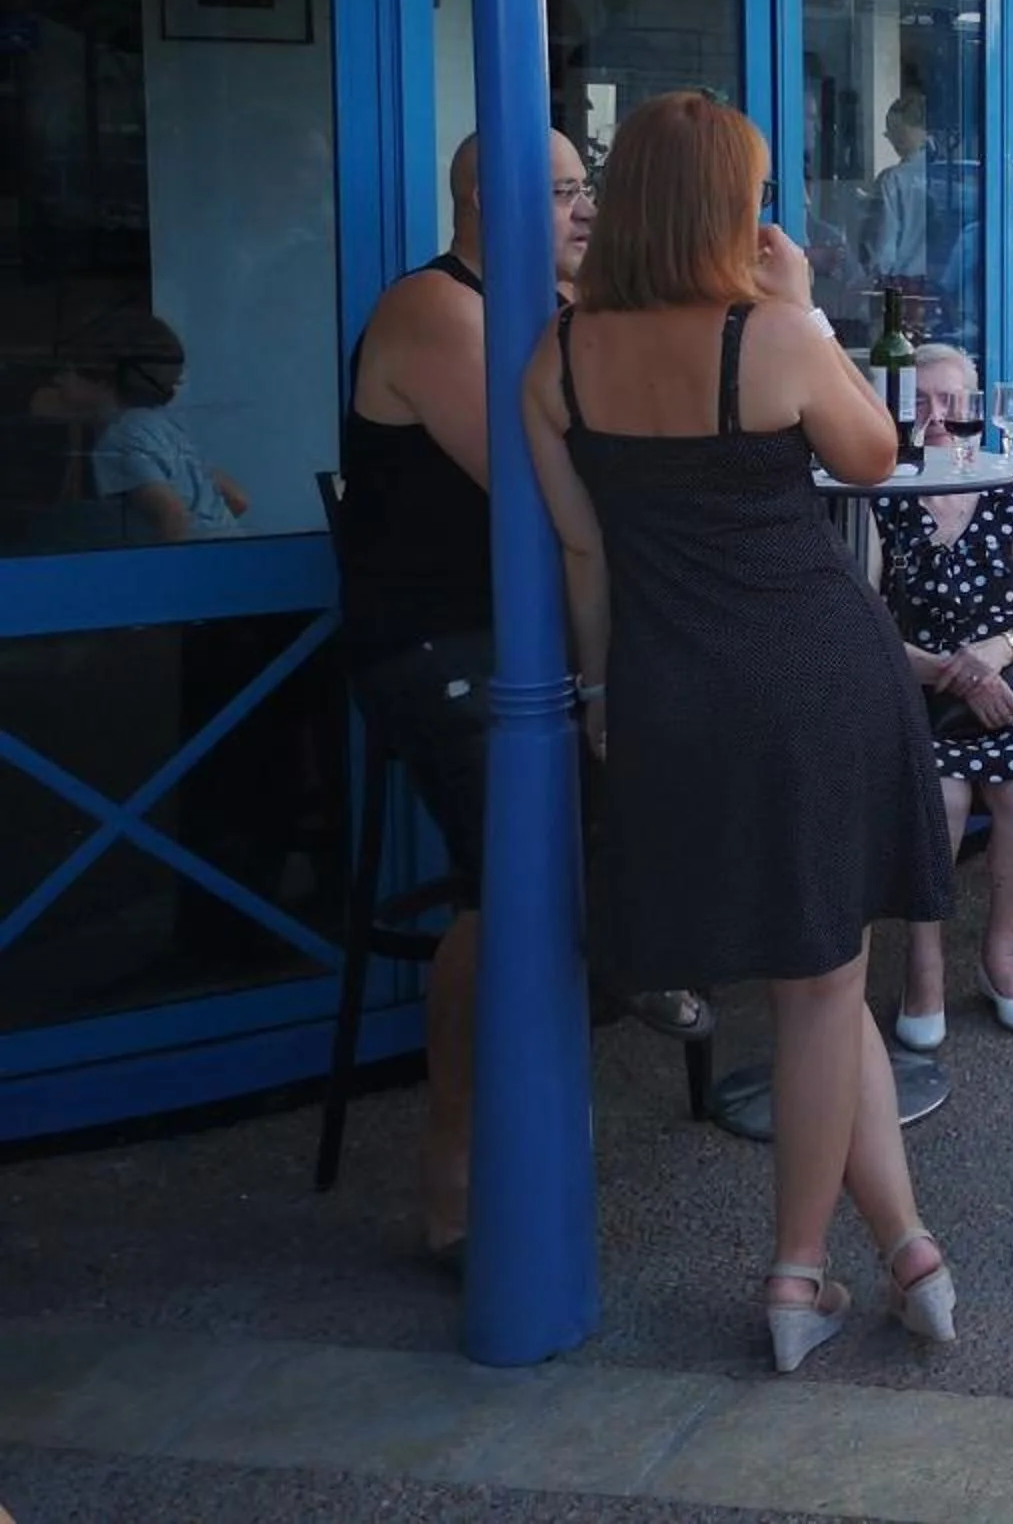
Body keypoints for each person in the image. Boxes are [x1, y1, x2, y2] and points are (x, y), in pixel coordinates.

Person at [521, 91, 957, 1374]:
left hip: (671, 684)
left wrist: (603, 698)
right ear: (727, 205)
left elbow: (584, 550)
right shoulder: (767, 336)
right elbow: (876, 456)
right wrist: (810, 303)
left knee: (819, 980)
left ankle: (911, 1247)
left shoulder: (554, 359)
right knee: (824, 984)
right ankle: (794, 1277)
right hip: (812, 672)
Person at [336, 129, 596, 1266]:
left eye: (590, 188)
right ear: (491, 202)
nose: (588, 209)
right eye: (566, 191)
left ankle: (655, 960)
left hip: (530, 638)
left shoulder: (548, 311)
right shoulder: (437, 309)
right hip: (439, 643)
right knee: (517, 879)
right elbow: (548, 477)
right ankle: (452, 1173)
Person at [879, 343, 1013, 1048]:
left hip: (1008, 683)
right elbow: (863, 625)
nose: (938, 419)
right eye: (922, 403)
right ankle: (923, 965)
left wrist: (997, 654)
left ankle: (1000, 954)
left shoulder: (1006, 488)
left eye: (953, 405)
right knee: (944, 795)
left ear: (976, 412)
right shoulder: (882, 497)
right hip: (913, 690)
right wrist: (949, 672)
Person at [64, 311, 247, 544]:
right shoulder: (166, 427)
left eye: (68, 369)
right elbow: (238, 499)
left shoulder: (119, 439)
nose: (59, 380)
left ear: (103, 378)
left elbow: (172, 515)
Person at [865, 95, 933, 280]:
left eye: (895, 131)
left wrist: (876, 278)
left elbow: (885, 246)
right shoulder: (951, 174)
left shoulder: (892, 180)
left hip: (903, 286)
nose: (891, 139)